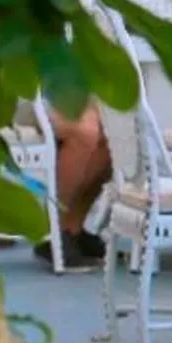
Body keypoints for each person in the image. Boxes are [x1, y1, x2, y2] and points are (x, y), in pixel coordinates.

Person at [47, 102, 113, 267]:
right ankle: (54, 232)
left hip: (87, 98)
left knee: (115, 134)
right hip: (37, 96)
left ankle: (72, 229)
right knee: (85, 132)